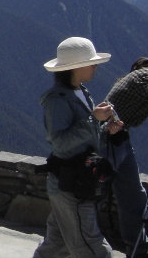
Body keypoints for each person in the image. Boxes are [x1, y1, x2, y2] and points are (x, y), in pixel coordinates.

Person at [33, 37, 120, 258]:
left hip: (72, 182)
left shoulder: (80, 92)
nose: (95, 66)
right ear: (76, 67)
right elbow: (60, 143)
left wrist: (105, 127)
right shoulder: (58, 100)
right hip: (71, 186)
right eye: (91, 62)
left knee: (56, 245)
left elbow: (82, 137)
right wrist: (94, 120)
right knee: (93, 249)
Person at [103, 57, 148, 257]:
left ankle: (137, 248)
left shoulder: (138, 77)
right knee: (129, 196)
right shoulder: (144, 79)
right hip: (108, 137)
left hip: (116, 136)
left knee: (132, 195)